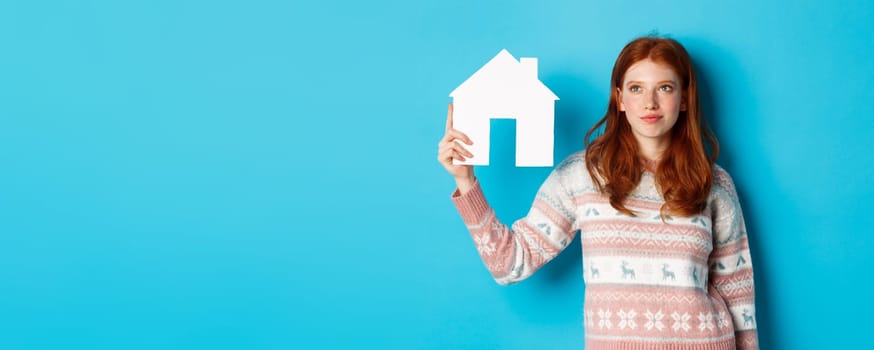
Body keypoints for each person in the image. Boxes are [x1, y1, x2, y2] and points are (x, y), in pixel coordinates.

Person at [437, 36, 759, 350]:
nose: (650, 102)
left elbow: (736, 292)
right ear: (619, 98)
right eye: (636, 88)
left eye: (664, 88)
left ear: (685, 98)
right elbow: (510, 264)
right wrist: (466, 182)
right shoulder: (582, 175)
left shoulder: (713, 183)